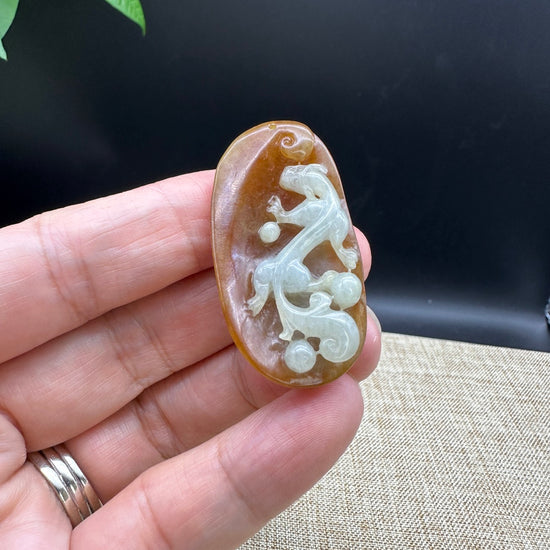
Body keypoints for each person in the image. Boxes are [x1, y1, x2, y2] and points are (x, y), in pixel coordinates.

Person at [0, 170, 381, 548]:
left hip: (296, 290)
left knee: (275, 279)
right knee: (272, 277)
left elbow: (302, 227)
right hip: (288, 285)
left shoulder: (319, 209)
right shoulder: (313, 209)